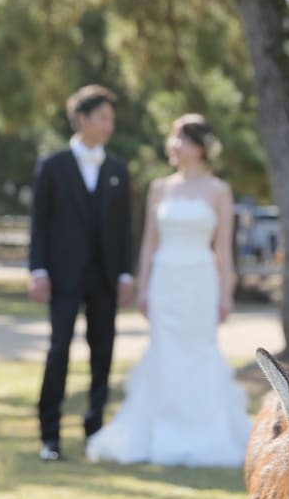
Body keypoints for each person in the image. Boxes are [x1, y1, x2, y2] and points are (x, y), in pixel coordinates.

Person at [85, 114, 251, 467]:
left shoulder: (218, 191)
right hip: (165, 280)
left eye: (180, 138)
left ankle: (205, 432)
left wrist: (226, 292)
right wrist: (143, 286)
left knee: (200, 352)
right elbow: (148, 243)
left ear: (199, 147)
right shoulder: (160, 188)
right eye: (172, 138)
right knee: (164, 351)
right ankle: (158, 431)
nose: (173, 146)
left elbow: (223, 248)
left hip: (200, 280)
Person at [28, 85, 134, 462]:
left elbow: (124, 229)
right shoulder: (52, 166)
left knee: (102, 355)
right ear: (82, 119)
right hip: (62, 276)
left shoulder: (118, 170)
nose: (109, 126)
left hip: (105, 279)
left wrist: (125, 274)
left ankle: (94, 429)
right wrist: (37, 269)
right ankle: (50, 435)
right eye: (103, 118)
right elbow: (39, 223)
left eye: (111, 119)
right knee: (59, 351)